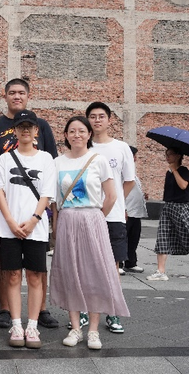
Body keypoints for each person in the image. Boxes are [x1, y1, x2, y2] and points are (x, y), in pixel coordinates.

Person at [0, 78, 59, 330]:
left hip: (36, 208)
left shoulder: (41, 126)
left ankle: (41, 310)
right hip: (3, 202)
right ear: (5, 96)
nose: (16, 96)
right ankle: (5, 309)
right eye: (12, 92)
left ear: (28, 96)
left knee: (37, 268)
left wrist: (43, 213)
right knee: (7, 265)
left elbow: (52, 164)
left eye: (21, 92)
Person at [50, 115, 129, 350]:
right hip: (67, 219)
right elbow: (54, 201)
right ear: (65, 135)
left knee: (95, 273)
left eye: (81, 131)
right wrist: (56, 227)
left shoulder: (98, 160)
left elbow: (111, 195)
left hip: (93, 218)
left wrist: (96, 217)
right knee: (70, 274)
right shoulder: (57, 162)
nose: (77, 135)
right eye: (72, 131)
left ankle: (93, 330)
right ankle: (75, 327)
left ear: (89, 134)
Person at [0, 110, 56, 349]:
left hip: (35, 228)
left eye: (29, 126)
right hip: (9, 228)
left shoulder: (46, 159)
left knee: (35, 276)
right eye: (21, 126)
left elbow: (47, 193)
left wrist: (35, 219)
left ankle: (33, 325)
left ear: (36, 130)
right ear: (15, 131)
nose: (25, 130)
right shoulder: (5, 159)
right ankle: (16, 324)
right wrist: (9, 220)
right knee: (13, 275)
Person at [85, 102, 135, 334]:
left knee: (112, 265)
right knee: (86, 264)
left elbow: (129, 180)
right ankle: (83, 310)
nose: (97, 120)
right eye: (92, 116)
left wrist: (115, 202)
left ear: (109, 120)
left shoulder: (121, 147)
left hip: (113, 216)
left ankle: (112, 312)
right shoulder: (83, 146)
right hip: (86, 214)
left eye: (101, 116)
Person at [147, 148, 189, 281]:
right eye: (166, 154)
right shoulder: (168, 172)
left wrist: (175, 170)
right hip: (168, 206)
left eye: (170, 154)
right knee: (162, 236)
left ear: (178, 156)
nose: (167, 157)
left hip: (182, 207)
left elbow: (183, 185)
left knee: (186, 234)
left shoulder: (184, 171)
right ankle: (160, 271)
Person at [124, 146, 148, 274]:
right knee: (123, 238)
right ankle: (119, 263)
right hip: (127, 211)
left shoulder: (132, 172)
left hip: (136, 212)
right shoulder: (122, 172)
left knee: (134, 239)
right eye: (134, 156)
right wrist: (123, 209)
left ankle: (131, 262)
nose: (135, 159)